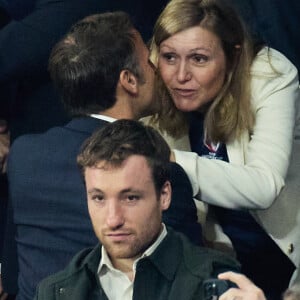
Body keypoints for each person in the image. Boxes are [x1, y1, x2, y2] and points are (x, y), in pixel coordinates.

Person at [1, 11, 202, 300]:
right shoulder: (159, 172)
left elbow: (12, 274)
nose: (157, 69)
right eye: (148, 61)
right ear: (129, 81)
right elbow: (187, 283)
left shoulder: (25, 155)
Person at [149, 0, 300, 299]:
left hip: (288, 255)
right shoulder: (156, 88)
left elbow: (264, 185)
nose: (180, 76)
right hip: (224, 263)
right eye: (169, 57)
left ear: (233, 56)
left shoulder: (270, 74)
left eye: (199, 59)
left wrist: (170, 160)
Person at [34, 119, 241, 300]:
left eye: (130, 198)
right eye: (99, 198)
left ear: (164, 196)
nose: (113, 219)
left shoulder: (217, 279)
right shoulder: (54, 292)